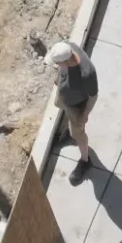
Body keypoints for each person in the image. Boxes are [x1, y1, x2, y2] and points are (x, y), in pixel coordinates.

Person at [46, 38, 100, 181]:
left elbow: (93, 97)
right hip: (67, 99)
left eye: (58, 64)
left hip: (77, 107)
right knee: (67, 116)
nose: (56, 66)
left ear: (67, 61)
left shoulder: (87, 74)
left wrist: (85, 114)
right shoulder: (67, 47)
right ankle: (70, 135)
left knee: (80, 134)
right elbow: (61, 69)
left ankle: (85, 160)